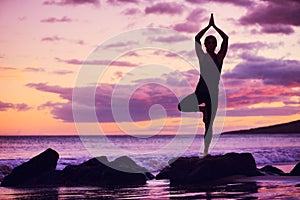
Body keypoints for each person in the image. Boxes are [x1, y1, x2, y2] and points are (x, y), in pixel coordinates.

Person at [178, 14, 228, 156]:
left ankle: (205, 152)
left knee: (209, 126)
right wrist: (208, 27)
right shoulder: (202, 57)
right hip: (201, 90)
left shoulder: (219, 58)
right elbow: (196, 39)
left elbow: (226, 39)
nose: (211, 45)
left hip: (213, 94)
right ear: (205, 45)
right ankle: (202, 110)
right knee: (181, 106)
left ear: (215, 45)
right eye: (209, 42)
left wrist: (215, 27)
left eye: (213, 43)